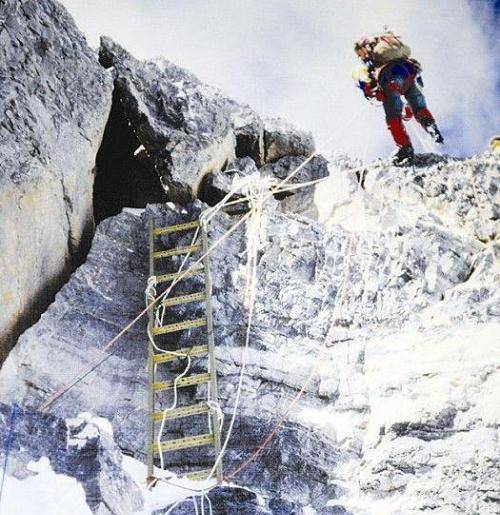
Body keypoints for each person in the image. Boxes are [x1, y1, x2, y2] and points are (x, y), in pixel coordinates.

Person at [353, 30, 444, 165]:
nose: (360, 56)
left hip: (390, 77)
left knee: (392, 116)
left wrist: (371, 91)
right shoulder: (394, 50)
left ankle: (405, 149)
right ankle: (431, 127)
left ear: (362, 49)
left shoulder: (370, 57)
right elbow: (418, 85)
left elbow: (364, 78)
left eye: (359, 54)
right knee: (418, 106)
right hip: (410, 74)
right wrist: (409, 107)